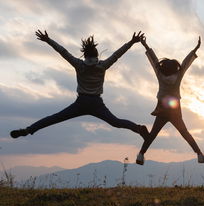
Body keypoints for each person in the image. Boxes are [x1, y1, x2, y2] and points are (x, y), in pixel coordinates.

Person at [10, 30, 149, 140]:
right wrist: (131, 42)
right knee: (116, 122)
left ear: (85, 55)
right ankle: (138, 128)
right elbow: (117, 54)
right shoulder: (102, 65)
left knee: (55, 118)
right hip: (96, 103)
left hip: (81, 102)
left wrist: (48, 40)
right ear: (96, 55)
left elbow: (63, 52)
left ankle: (28, 130)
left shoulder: (79, 64)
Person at [135, 36, 204, 165]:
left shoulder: (160, 74)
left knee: (153, 134)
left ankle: (140, 155)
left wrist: (145, 45)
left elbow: (153, 60)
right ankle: (199, 154)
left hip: (162, 108)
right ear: (175, 68)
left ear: (163, 68)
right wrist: (195, 49)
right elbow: (185, 62)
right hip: (175, 109)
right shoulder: (178, 75)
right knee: (184, 132)